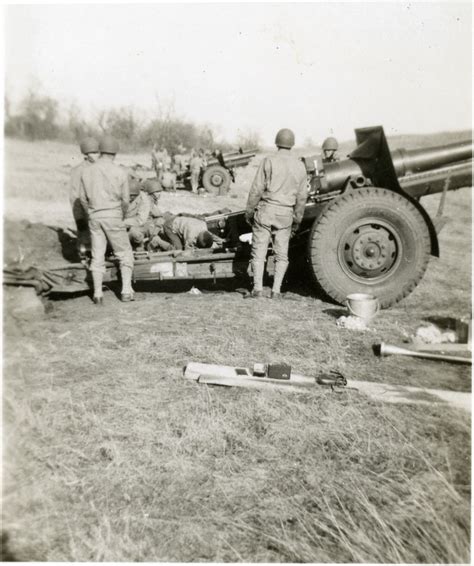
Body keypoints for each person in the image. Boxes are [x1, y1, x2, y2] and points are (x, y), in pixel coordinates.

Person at [245, 128, 308, 299]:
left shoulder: (268, 161)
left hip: (266, 211)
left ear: (277, 142)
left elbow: (256, 189)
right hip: (285, 214)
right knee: (282, 255)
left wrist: (249, 211)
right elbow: (302, 198)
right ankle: (276, 291)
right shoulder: (300, 166)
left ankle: (257, 289)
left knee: (259, 252)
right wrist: (297, 219)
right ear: (292, 144)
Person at [79, 135, 135, 304]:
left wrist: (91, 213)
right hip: (114, 215)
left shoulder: (87, 171)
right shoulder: (121, 172)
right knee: (124, 254)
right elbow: (125, 200)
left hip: (95, 217)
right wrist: (121, 215)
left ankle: (97, 294)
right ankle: (125, 291)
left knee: (97, 256)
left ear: (100, 151)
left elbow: (82, 199)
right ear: (115, 153)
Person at [69, 137, 100, 248]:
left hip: (100, 211)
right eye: (94, 153)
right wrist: (79, 219)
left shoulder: (100, 168)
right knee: (86, 242)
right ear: (86, 155)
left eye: (98, 152)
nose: (97, 155)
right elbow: (74, 197)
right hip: (85, 211)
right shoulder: (78, 171)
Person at [124, 183, 151, 250]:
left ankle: (138, 247)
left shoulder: (144, 199)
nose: (130, 198)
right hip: (122, 223)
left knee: (135, 234)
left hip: (139, 225)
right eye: (129, 195)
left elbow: (140, 220)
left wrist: (122, 223)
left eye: (132, 196)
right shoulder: (121, 193)